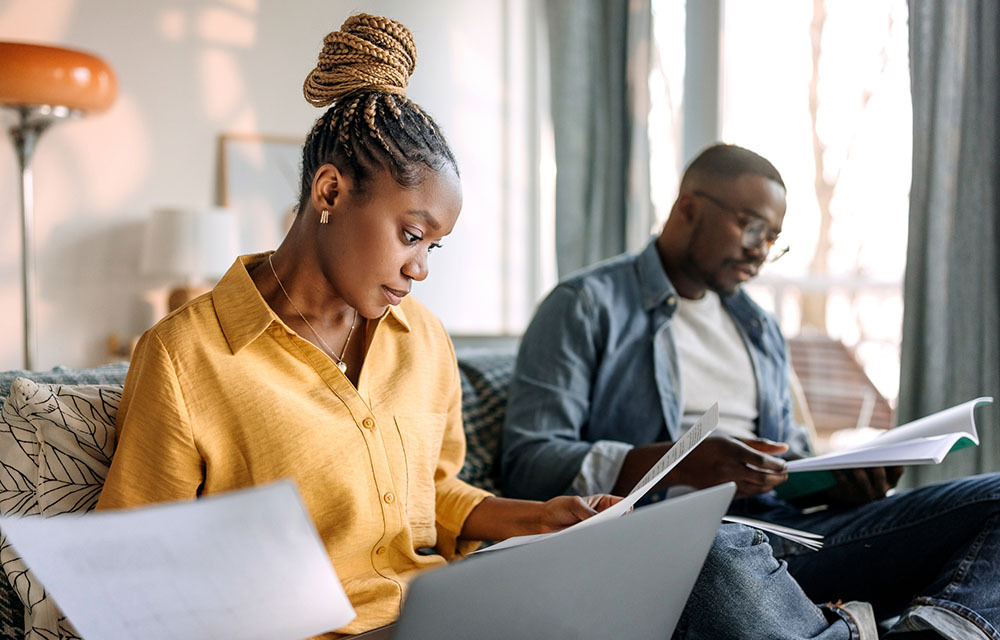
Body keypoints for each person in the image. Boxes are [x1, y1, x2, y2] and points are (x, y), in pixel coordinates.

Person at [96, 17, 873, 639]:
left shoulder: (419, 342)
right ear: (329, 191)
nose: (421, 268)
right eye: (410, 235)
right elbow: (136, 569)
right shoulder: (187, 356)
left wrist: (549, 519)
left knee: (708, 547)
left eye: (434, 246)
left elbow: (433, 497)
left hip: (448, 610)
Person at [501, 142, 1000, 640]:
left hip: (790, 535)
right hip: (683, 541)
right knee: (713, 550)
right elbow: (528, 461)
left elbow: (788, 454)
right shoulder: (585, 306)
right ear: (688, 208)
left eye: (773, 239)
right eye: (753, 227)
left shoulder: (758, 327)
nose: (761, 250)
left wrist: (838, 479)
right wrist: (684, 462)